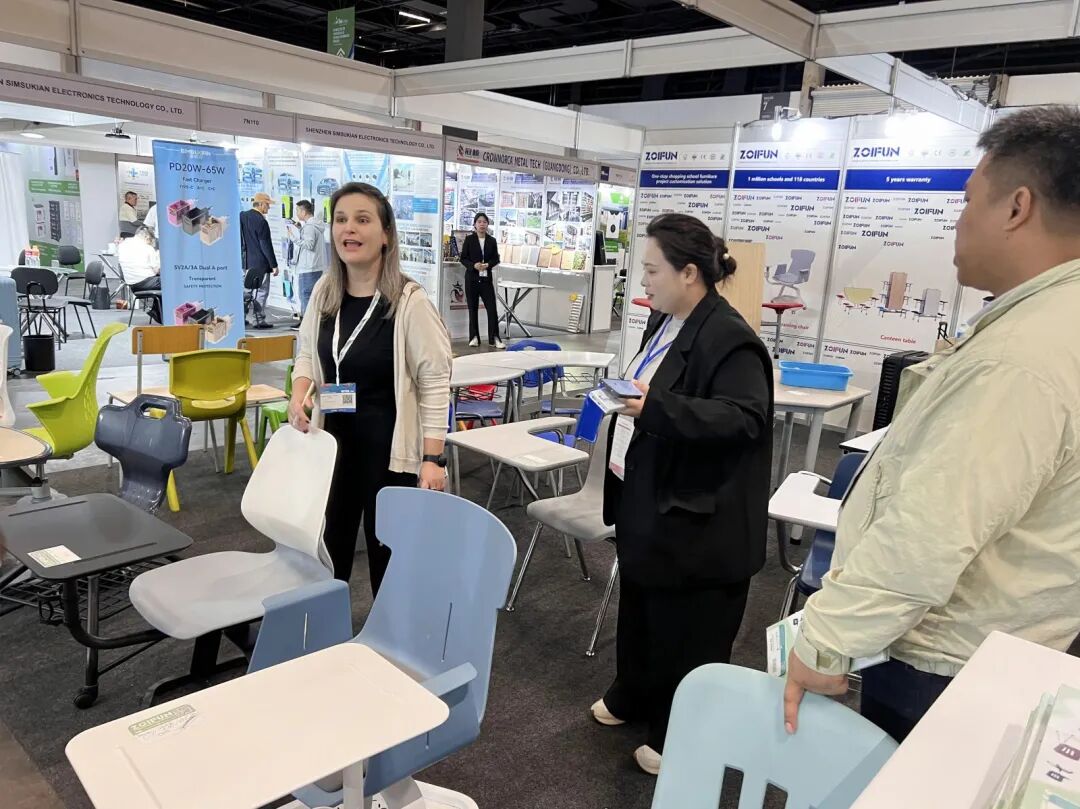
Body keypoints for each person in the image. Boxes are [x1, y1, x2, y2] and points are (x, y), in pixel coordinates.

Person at [783, 105, 1080, 743]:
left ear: (1017, 207)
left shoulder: (1018, 359)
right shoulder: (1054, 325)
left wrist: (827, 642)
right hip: (1010, 645)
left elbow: (930, 531)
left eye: (969, 199)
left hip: (944, 661)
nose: (959, 220)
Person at [594, 213, 773, 775]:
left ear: (689, 273)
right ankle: (633, 693)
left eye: (652, 270)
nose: (643, 281)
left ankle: (680, 733)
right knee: (642, 609)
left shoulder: (730, 338)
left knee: (688, 631)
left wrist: (655, 406)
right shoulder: (666, 320)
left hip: (701, 519)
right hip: (649, 498)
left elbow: (744, 419)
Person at [287, 181, 452, 595]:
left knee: (389, 558)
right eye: (341, 220)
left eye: (363, 220)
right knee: (329, 551)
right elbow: (306, 351)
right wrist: (299, 392)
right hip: (333, 446)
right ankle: (326, 628)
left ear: (386, 235)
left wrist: (433, 459)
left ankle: (392, 633)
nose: (349, 229)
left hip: (389, 452)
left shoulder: (409, 302)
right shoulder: (325, 293)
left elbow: (435, 381)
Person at [459, 212, 504, 349]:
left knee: (492, 309)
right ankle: (474, 337)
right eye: (479, 222)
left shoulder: (492, 240)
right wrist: (473, 265)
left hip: (486, 280)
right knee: (473, 309)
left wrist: (488, 265)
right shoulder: (469, 239)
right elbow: (463, 258)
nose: (482, 224)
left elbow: (496, 258)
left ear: (487, 224)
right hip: (472, 278)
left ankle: (494, 338)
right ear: (475, 224)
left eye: (484, 222)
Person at [240, 191, 278, 329]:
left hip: (246, 262)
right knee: (261, 292)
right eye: (267, 205)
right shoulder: (262, 222)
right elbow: (265, 245)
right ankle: (258, 320)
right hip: (260, 263)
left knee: (246, 291)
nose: (269, 207)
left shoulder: (242, 216)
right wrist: (274, 265)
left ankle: (241, 317)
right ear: (261, 204)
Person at [289, 199, 327, 316]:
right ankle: (310, 322)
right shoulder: (314, 225)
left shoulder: (310, 227)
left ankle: (306, 322)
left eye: (297, 211)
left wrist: (293, 238)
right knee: (311, 297)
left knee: (305, 296)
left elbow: (309, 245)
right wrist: (301, 229)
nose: (296, 213)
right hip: (315, 267)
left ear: (303, 212)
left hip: (308, 268)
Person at [117, 227, 162, 323]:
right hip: (146, 282)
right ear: (147, 237)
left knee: (163, 284)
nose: (151, 243)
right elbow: (157, 270)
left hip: (132, 285)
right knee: (170, 282)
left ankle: (157, 312)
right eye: (151, 241)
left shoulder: (123, 245)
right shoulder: (148, 248)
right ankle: (160, 314)